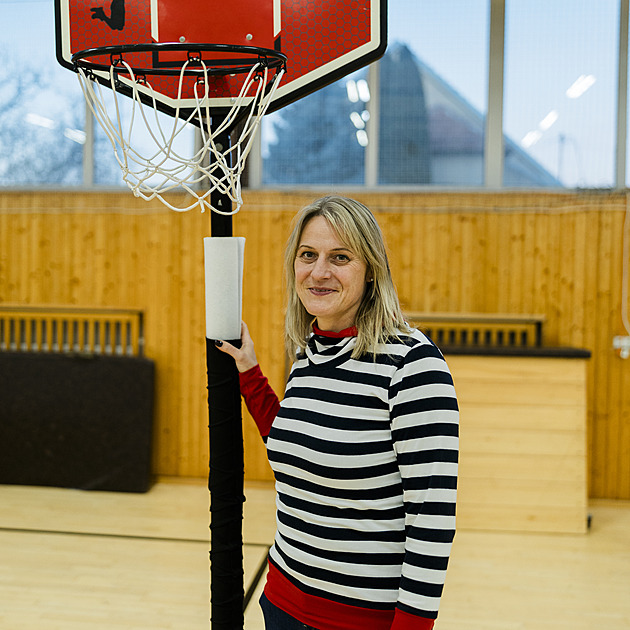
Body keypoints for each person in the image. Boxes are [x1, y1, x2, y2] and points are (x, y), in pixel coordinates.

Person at [216, 196, 459, 630]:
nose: (319, 271)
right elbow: (295, 445)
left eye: (340, 257)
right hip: (281, 601)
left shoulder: (412, 365)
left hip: (360, 619)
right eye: (308, 255)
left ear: (371, 270)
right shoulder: (310, 353)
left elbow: (431, 519)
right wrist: (250, 374)